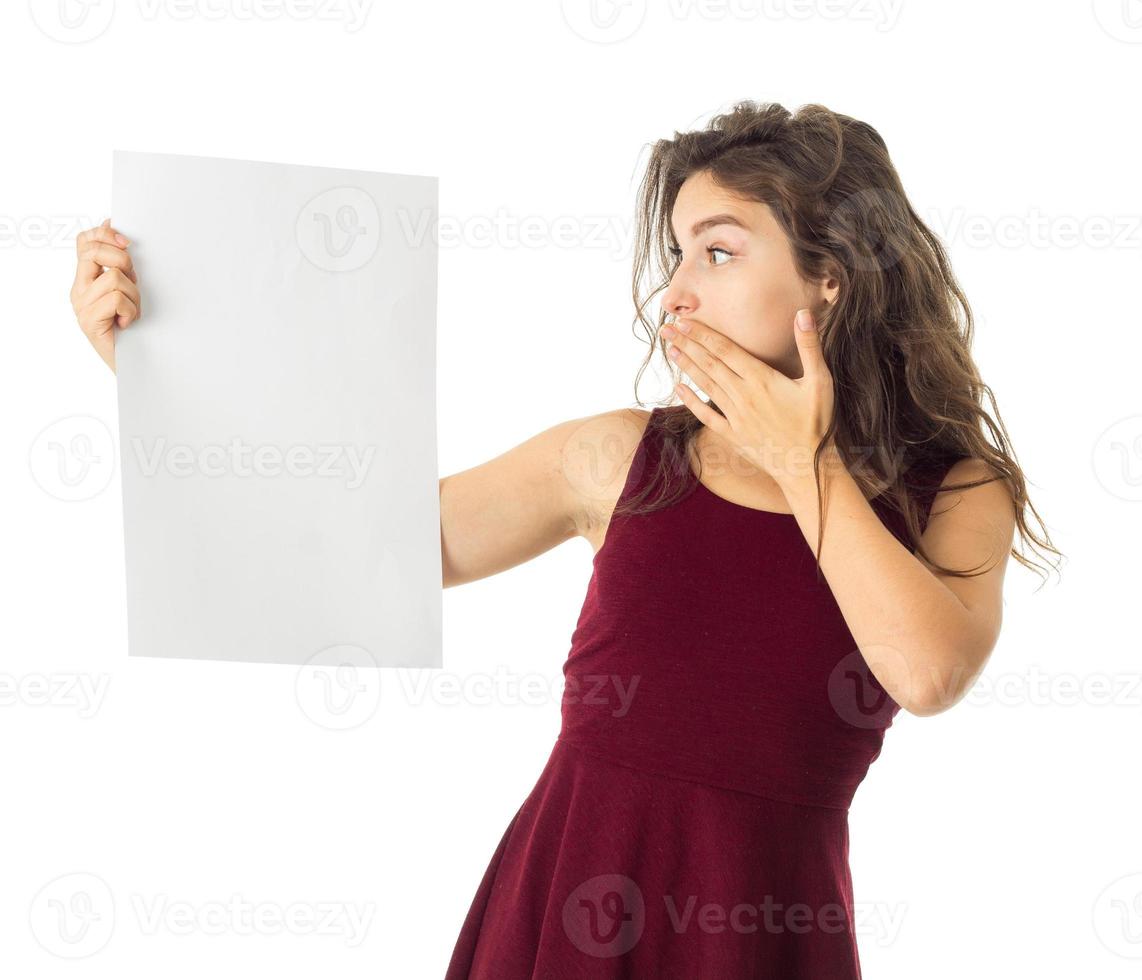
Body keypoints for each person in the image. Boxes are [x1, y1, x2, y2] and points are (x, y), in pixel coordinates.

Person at [68, 100, 1061, 978]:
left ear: (832, 277)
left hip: (766, 935)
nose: (676, 290)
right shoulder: (619, 457)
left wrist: (802, 461)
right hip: (564, 915)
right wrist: (156, 368)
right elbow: (348, 547)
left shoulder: (956, 487)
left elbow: (928, 672)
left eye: (718, 251)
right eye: (675, 253)